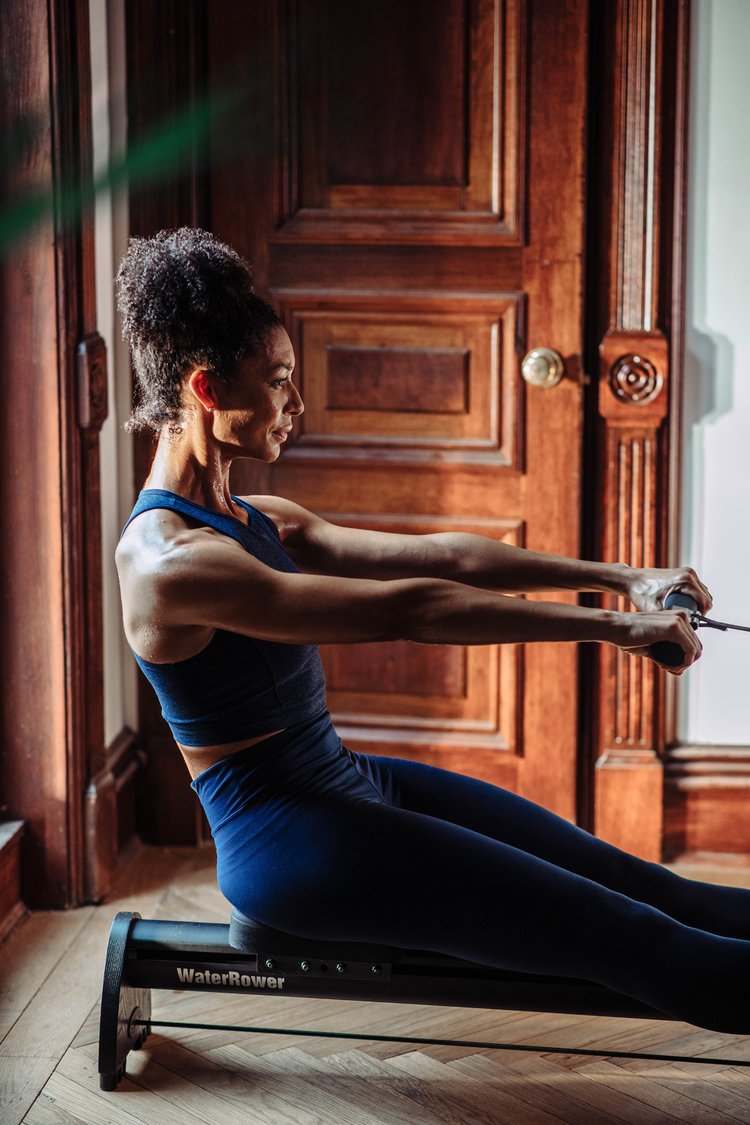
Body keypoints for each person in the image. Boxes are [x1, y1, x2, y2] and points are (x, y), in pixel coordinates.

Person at [116, 227, 749, 1035]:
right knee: (632, 935)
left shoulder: (254, 516)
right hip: (293, 840)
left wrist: (626, 577)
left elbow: (445, 556)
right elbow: (409, 607)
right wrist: (619, 628)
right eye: (278, 382)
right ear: (206, 388)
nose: (297, 404)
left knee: (647, 886)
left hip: (349, 780)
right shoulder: (171, 563)